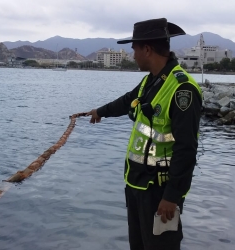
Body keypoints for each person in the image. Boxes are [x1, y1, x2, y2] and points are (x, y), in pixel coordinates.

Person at [86, 18, 202, 250]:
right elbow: (128, 101)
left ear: (147, 49)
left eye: (134, 49)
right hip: (138, 186)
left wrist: (171, 197)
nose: (132, 54)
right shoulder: (150, 82)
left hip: (160, 193)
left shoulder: (182, 90)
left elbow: (186, 149)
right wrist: (100, 112)